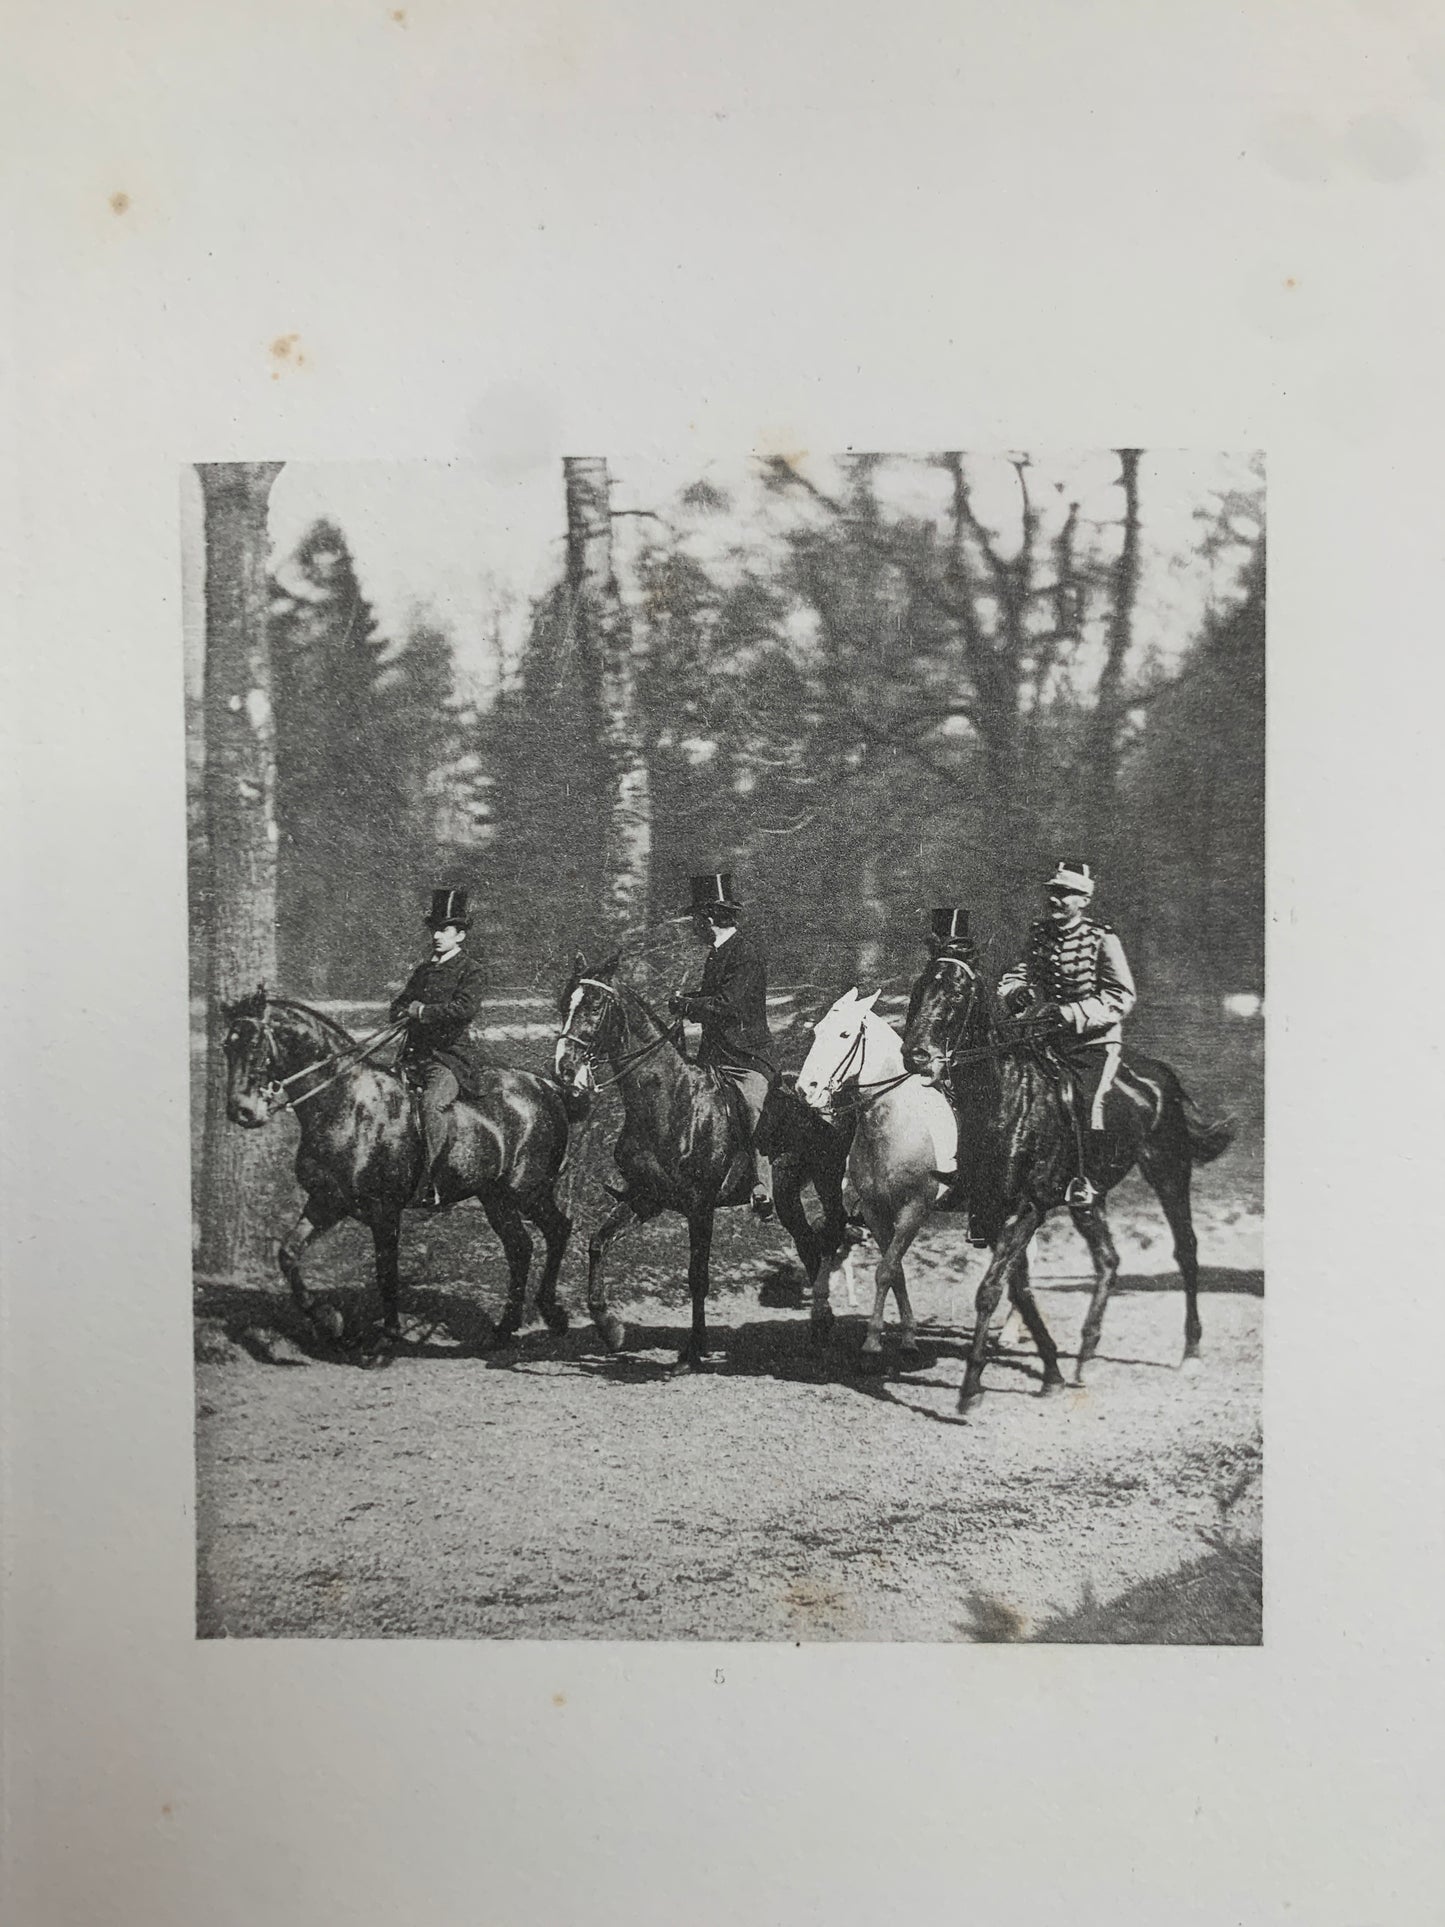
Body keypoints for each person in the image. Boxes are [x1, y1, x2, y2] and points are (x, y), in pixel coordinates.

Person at [998, 860, 1137, 1207]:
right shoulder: (1038, 935)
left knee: (1087, 1102)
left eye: (1065, 894)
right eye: (1053, 893)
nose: (1055, 900)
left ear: (1084, 900)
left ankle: (1086, 1179)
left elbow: (1121, 996)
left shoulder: (1102, 938)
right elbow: (1016, 974)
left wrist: (1071, 1013)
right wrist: (1016, 993)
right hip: (1047, 1038)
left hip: (1094, 1042)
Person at [668, 872, 778, 1220]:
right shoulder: (717, 954)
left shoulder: (745, 954)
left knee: (752, 1108)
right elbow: (711, 998)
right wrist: (684, 1000)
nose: (694, 927)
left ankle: (762, 1187)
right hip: (714, 1056)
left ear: (710, 918)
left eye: (697, 920)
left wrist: (688, 1005)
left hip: (746, 1057)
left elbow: (728, 1005)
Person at [390, 887, 487, 1209]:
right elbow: (400, 1003)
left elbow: (463, 1009)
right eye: (434, 929)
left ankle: (436, 1184)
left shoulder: (471, 970)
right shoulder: (423, 971)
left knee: (431, 1105)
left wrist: (422, 1012)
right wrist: (404, 1010)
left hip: (448, 1059)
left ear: (459, 935)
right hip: (412, 1057)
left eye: (444, 930)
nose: (436, 935)